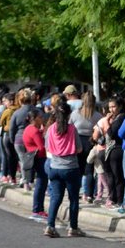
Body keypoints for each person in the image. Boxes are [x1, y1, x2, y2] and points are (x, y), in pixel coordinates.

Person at [44, 102, 85, 238]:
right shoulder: (72, 129)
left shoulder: (50, 129)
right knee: (73, 199)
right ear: (69, 115)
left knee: (56, 198)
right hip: (70, 167)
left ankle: (50, 226)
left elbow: (48, 147)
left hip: (54, 167)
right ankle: (73, 227)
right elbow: (79, 149)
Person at [70, 92, 102, 203]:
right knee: (89, 170)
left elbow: (69, 128)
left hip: (77, 142)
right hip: (91, 142)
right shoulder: (98, 115)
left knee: (77, 170)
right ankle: (88, 194)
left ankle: (75, 192)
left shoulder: (75, 114)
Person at [100, 97, 125, 209]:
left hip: (117, 149)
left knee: (118, 176)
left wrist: (106, 121)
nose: (111, 109)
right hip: (110, 150)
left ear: (120, 106)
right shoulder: (116, 118)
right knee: (110, 176)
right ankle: (113, 198)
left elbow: (111, 133)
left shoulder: (121, 118)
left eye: (113, 106)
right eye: (110, 107)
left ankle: (120, 200)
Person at [22, 109, 48, 220]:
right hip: (39, 158)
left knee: (40, 184)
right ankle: (38, 209)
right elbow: (41, 148)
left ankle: (38, 209)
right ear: (35, 118)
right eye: (40, 117)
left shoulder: (28, 129)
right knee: (41, 184)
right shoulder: (34, 131)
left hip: (33, 156)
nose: (42, 118)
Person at [10, 89, 36, 190]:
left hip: (19, 139)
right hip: (33, 139)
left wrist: (12, 139)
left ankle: (25, 181)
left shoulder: (17, 113)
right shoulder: (37, 111)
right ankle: (30, 180)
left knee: (23, 160)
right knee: (31, 161)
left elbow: (12, 128)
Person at [0, 93, 19, 184]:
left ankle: (9, 176)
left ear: (11, 101)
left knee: (8, 156)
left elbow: (0, 122)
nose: (5, 103)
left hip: (7, 134)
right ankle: (13, 176)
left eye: (6, 101)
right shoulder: (19, 110)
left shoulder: (7, 111)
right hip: (17, 134)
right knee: (15, 157)